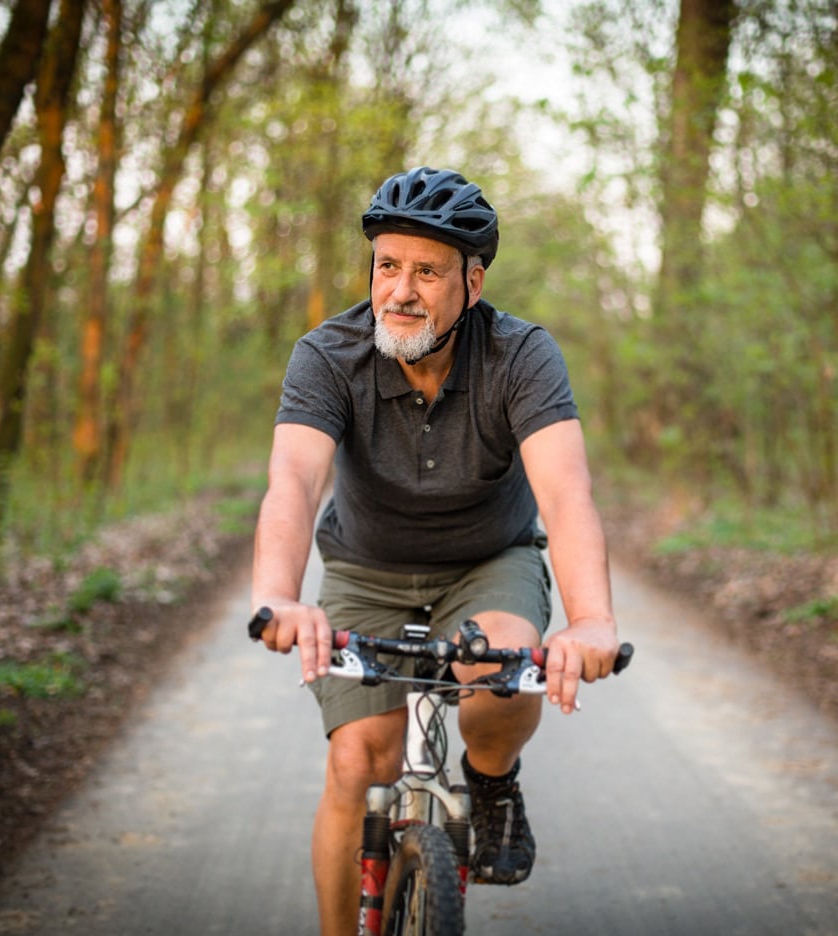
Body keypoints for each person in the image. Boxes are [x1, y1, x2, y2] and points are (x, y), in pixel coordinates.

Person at [251, 166, 620, 936]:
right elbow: (293, 479)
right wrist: (280, 594)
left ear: (472, 283)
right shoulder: (328, 355)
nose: (401, 291)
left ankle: (492, 783)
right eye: (389, 265)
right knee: (360, 760)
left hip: (489, 561)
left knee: (497, 678)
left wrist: (588, 619)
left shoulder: (521, 356)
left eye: (427, 271)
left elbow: (566, 493)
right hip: (365, 567)